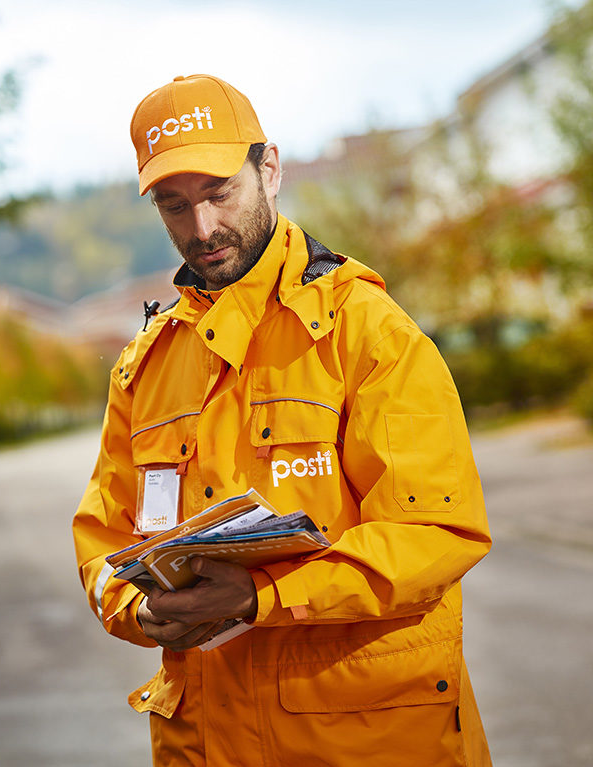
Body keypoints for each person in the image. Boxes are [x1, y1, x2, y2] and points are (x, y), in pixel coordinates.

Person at [71, 73, 493, 767]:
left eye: (218, 193)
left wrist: (264, 595)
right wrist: (137, 610)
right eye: (174, 206)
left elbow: (438, 534)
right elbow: (101, 539)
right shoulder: (144, 366)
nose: (201, 229)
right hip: (205, 743)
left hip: (364, 744)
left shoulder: (368, 332)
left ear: (269, 170)